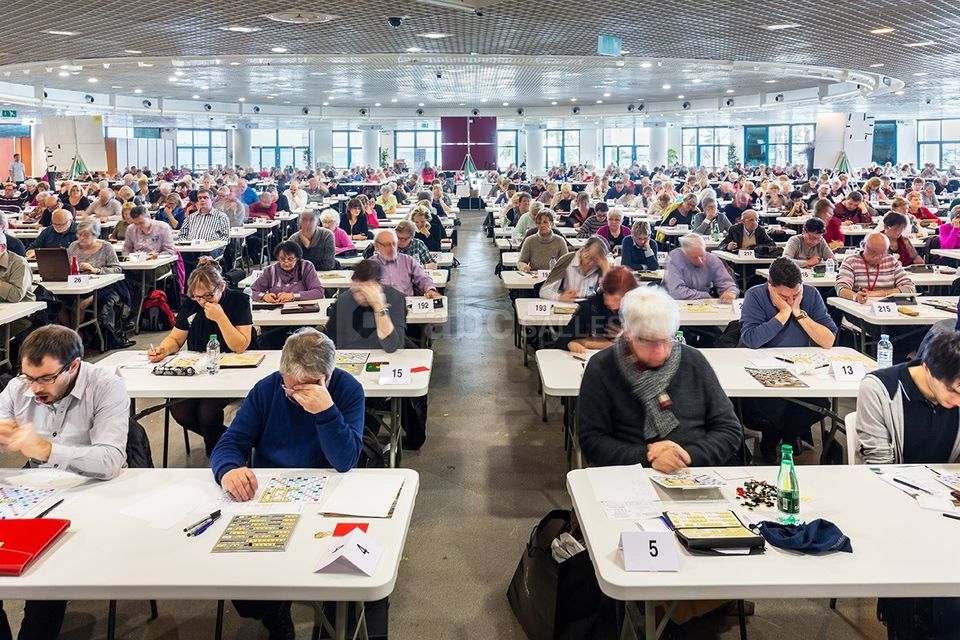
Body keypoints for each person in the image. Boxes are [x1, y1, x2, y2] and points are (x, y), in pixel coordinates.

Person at [210, 328, 363, 640]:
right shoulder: (268, 390)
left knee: (339, 574)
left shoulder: (348, 390)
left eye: (309, 387)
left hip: (329, 493)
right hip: (272, 494)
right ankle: (276, 614)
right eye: (291, 388)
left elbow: (345, 459)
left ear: (329, 377)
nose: (297, 395)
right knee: (245, 586)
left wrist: (326, 412)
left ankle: (329, 622)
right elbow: (230, 443)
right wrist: (229, 470)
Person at [0, 326, 129, 640]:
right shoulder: (19, 389)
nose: (34, 389)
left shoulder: (106, 386)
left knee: (48, 573)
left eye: (45, 378)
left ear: (74, 366)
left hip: (96, 492)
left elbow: (110, 460)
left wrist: (46, 450)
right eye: (29, 377)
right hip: (36, 494)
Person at [856, 331, 960, 639]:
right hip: (896, 507)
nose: (958, 401)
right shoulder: (880, 388)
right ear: (928, 369)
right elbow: (877, 468)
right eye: (954, 391)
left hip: (949, 505)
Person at [577, 285, 742, 468]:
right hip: (629, 476)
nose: (661, 351)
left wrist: (687, 455)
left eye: (667, 339)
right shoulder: (602, 367)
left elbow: (729, 430)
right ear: (629, 332)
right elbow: (592, 441)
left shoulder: (693, 361)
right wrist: (649, 457)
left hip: (694, 470)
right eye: (650, 341)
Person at [147, 261, 253, 455]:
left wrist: (221, 317)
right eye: (198, 297)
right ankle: (226, 442)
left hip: (230, 371)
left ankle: (218, 452)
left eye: (208, 296)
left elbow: (240, 345)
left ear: (221, 286)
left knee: (207, 412)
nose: (203, 302)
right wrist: (163, 349)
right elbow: (176, 338)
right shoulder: (191, 305)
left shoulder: (239, 301)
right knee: (180, 410)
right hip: (197, 371)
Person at [739, 258, 838, 460]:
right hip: (760, 369)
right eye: (784, 296)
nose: (791, 299)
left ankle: (788, 434)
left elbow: (828, 340)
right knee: (770, 407)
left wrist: (798, 313)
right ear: (770, 286)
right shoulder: (755, 295)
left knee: (819, 405)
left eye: (795, 294)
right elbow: (751, 339)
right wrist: (783, 313)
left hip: (800, 369)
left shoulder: (810, 295)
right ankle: (773, 437)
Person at [64, 218, 133, 350]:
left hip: (101, 286)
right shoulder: (73, 246)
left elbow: (117, 269)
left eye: (86, 234)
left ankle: (74, 337)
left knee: (80, 304)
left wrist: (96, 270)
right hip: (76, 284)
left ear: (95, 235)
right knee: (58, 302)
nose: (81, 238)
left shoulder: (106, 247)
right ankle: (71, 333)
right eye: (79, 234)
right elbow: (65, 265)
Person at [325, 259, 407, 353]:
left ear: (379, 286)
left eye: (366, 291)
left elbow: (392, 346)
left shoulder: (396, 299)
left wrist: (379, 307)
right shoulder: (343, 301)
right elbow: (332, 343)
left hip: (386, 356)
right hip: (351, 357)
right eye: (357, 291)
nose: (360, 296)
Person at [555, 267, 639, 354]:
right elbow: (564, 340)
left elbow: (640, 347)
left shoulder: (639, 310)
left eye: (617, 300)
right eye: (606, 294)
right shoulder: (592, 305)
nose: (609, 302)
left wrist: (585, 343)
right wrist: (572, 344)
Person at [836, 232, 916, 303]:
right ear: (863, 246)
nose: (878, 257)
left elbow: (910, 288)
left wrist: (878, 293)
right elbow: (842, 288)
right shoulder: (851, 262)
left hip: (888, 308)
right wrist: (855, 296)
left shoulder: (891, 261)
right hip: (859, 307)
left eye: (883, 252)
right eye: (873, 252)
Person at [369, 228, 442, 299]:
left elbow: (423, 278)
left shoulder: (408, 260)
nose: (392, 248)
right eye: (387, 245)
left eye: (394, 243)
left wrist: (430, 290)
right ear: (376, 246)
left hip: (407, 303)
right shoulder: (369, 265)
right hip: (379, 305)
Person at [664, 233, 738, 302]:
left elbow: (726, 282)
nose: (700, 260)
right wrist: (704, 295)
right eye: (694, 257)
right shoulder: (675, 258)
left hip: (702, 303)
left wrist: (730, 292)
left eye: (702, 255)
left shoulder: (711, 258)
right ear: (685, 254)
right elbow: (677, 292)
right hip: (674, 302)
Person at [251, 241, 324, 303]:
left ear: (297, 258)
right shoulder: (270, 271)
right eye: (282, 259)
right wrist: (263, 296)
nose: (286, 262)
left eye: (290, 259)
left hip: (301, 310)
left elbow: (318, 292)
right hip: (276, 312)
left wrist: (293, 296)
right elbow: (250, 291)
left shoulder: (306, 267)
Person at [540, 236, 610, 302]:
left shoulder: (600, 268)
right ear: (583, 250)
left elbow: (609, 295)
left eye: (595, 260)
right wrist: (560, 297)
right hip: (566, 308)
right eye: (589, 257)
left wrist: (606, 270)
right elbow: (544, 291)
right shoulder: (567, 260)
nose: (591, 263)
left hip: (589, 309)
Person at [177, 188, 230, 265]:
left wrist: (214, 245)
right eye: (199, 198)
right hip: (192, 248)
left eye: (205, 197)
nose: (202, 200)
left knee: (205, 257)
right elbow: (182, 234)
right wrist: (185, 244)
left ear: (211, 200)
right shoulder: (191, 217)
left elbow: (226, 237)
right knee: (179, 256)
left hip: (212, 249)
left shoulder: (221, 216)